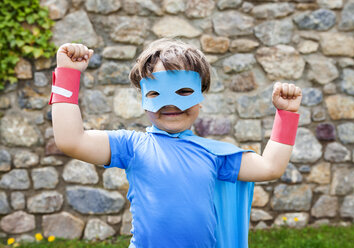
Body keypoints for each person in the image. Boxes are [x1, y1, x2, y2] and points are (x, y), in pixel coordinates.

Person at [50, 38, 302, 248]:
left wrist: (287, 115)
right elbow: (71, 140)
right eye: (155, 93)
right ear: (143, 98)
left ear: (201, 95)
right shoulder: (132, 146)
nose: (170, 103)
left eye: (183, 92)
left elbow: (270, 167)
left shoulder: (214, 155)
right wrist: (67, 75)